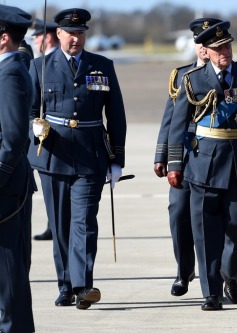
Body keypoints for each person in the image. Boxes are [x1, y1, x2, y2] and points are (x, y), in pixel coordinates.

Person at [167, 20, 237, 311]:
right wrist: (174, 164)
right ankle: (211, 292)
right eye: (217, 48)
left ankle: (230, 269)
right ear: (207, 52)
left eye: (227, 45)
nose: (224, 51)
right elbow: (177, 126)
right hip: (203, 164)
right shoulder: (192, 79)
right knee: (204, 231)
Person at [27, 8, 127, 310]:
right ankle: (65, 285)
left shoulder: (102, 65)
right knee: (60, 224)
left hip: (91, 157)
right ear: (58, 34)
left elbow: (116, 116)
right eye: (71, 33)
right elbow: (29, 109)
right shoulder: (40, 67)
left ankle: (83, 286)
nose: (76, 38)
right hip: (53, 156)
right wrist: (34, 126)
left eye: (81, 33)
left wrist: (116, 158)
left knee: (84, 222)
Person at [154, 17, 221, 297]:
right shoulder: (181, 76)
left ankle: (222, 273)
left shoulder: (228, 75)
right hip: (185, 155)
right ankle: (184, 270)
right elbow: (170, 121)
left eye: (209, 43)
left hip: (217, 157)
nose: (204, 49)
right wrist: (163, 156)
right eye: (200, 43)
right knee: (179, 212)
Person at [0, 6, 35, 333]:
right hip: (11, 182)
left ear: (4, 37)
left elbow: (12, 139)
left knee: (8, 273)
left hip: (6, 187)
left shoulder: (9, 73)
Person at [31, 18, 60, 242]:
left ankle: (56, 225)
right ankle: (53, 224)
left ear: (47, 37)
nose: (35, 41)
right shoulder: (37, 64)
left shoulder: (51, 64)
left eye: (37, 37)